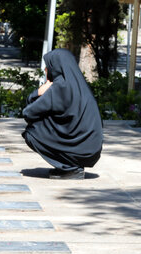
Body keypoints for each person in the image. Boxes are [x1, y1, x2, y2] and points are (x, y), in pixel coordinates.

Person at [22, 48, 103, 180]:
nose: (45, 70)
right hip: (91, 150)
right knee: (47, 120)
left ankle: (71, 168)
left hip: (81, 150)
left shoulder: (60, 87)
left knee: (32, 132)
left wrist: (37, 93)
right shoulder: (78, 84)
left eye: (48, 66)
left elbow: (28, 113)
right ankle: (70, 165)